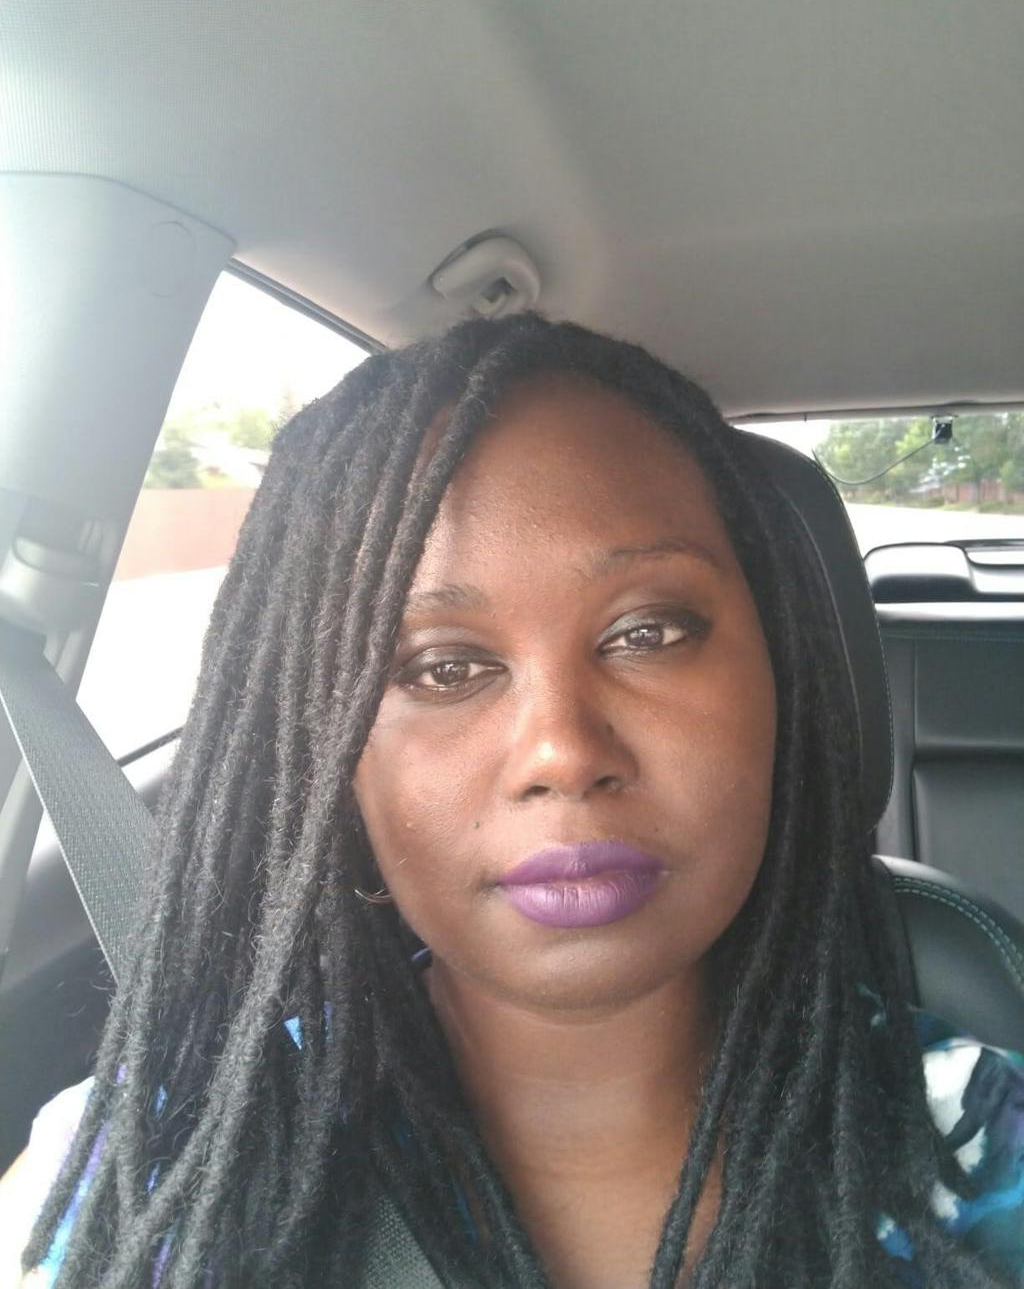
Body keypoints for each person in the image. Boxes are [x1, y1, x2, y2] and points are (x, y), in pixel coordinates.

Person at [2, 313, 1022, 1288]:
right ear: (334, 750)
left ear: (781, 675)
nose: (563, 753)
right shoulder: (145, 1178)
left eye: (649, 632)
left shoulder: (986, 1140)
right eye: (443, 668)